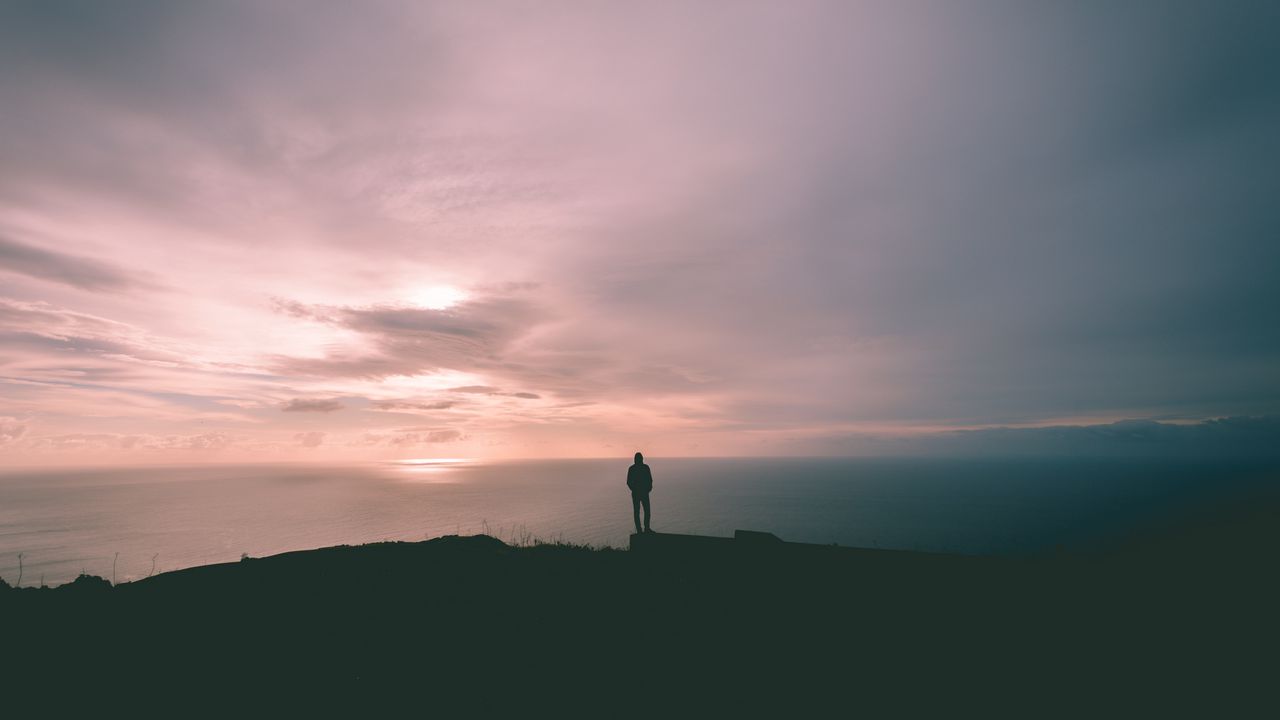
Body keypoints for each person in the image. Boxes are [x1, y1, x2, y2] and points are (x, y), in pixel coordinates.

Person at [626, 452, 653, 534]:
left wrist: (634, 489)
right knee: (644, 511)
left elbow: (629, 482)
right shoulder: (645, 468)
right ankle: (644, 529)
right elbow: (650, 480)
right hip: (642, 493)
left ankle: (641, 530)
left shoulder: (633, 469)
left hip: (638, 493)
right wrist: (647, 489)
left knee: (639, 512)